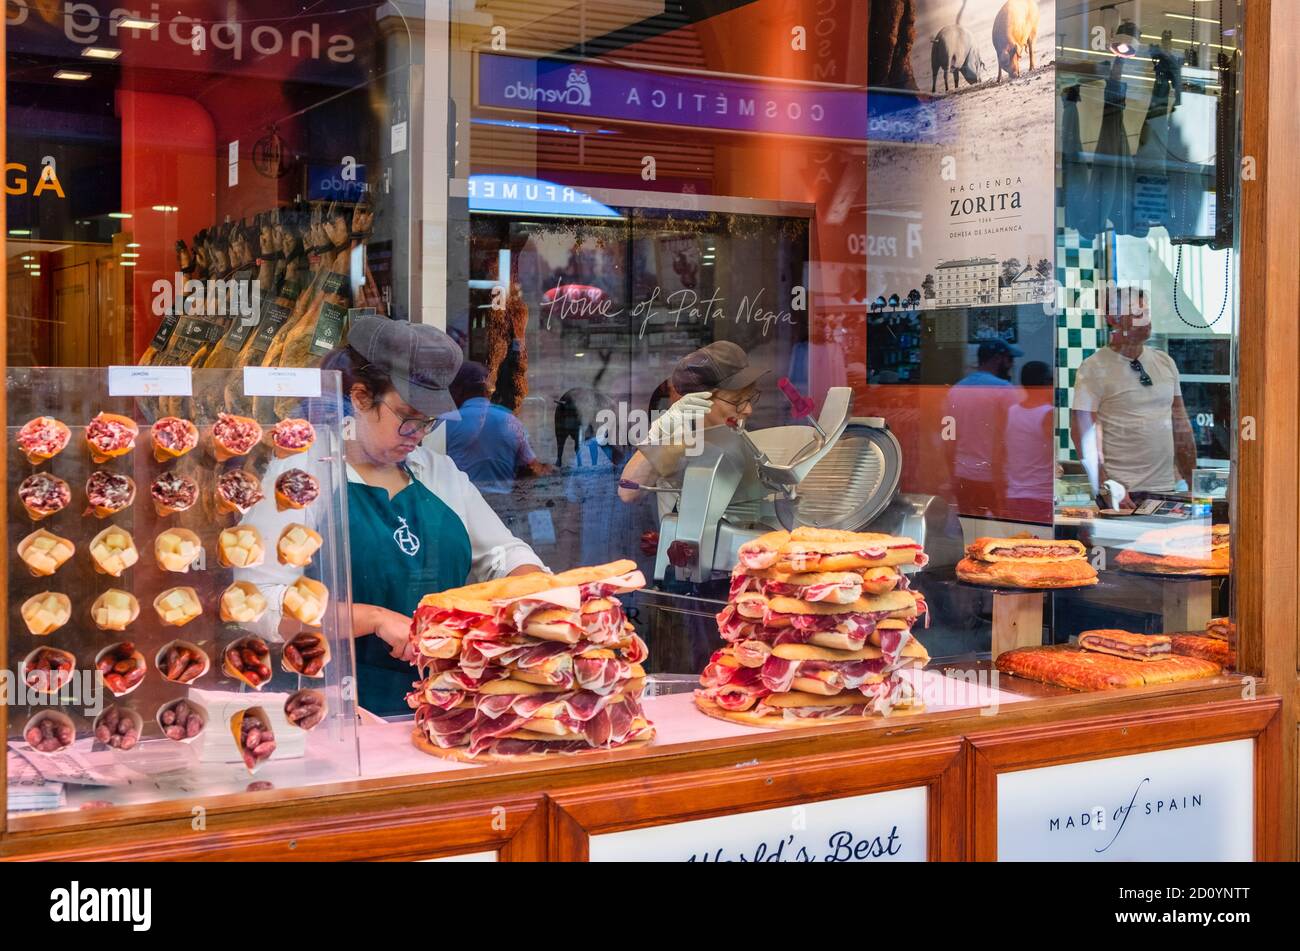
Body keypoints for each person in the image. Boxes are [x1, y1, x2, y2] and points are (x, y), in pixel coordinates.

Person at [240, 317, 545, 716]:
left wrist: (535, 588)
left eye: (428, 421)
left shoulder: (440, 474)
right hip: (330, 709)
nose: (417, 433)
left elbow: (504, 554)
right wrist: (372, 618)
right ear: (361, 398)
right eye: (407, 417)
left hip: (442, 703)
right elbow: (258, 603)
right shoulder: (301, 476)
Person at [1070, 291, 1195, 508]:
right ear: (1113, 319)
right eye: (1137, 313)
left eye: (1146, 312)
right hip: (1122, 494)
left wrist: (1193, 482)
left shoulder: (1164, 362)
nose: (1145, 319)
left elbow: (1180, 425)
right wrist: (1105, 485)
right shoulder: (1093, 368)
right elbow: (1082, 431)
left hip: (1167, 489)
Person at [617, 341, 766, 512]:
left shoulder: (742, 434)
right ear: (702, 399)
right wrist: (660, 435)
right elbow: (627, 492)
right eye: (737, 402)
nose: (748, 410)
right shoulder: (678, 435)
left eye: (749, 399)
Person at [942, 339, 1023, 516]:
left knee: (970, 532)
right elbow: (1013, 439)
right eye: (1009, 359)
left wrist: (953, 476)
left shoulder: (955, 391)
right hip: (995, 478)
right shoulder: (1005, 390)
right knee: (1005, 534)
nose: (1011, 365)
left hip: (963, 476)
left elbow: (948, 439)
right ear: (997, 359)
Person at [444, 360, 549, 494]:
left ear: (458, 389)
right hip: (503, 506)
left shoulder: (445, 422)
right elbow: (531, 466)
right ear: (487, 391)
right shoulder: (510, 420)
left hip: (460, 504)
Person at [1003, 361, 1056, 523]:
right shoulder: (1048, 414)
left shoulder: (1012, 412)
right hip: (1040, 497)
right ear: (1047, 383)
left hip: (1014, 495)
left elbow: (1001, 453)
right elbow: (1055, 455)